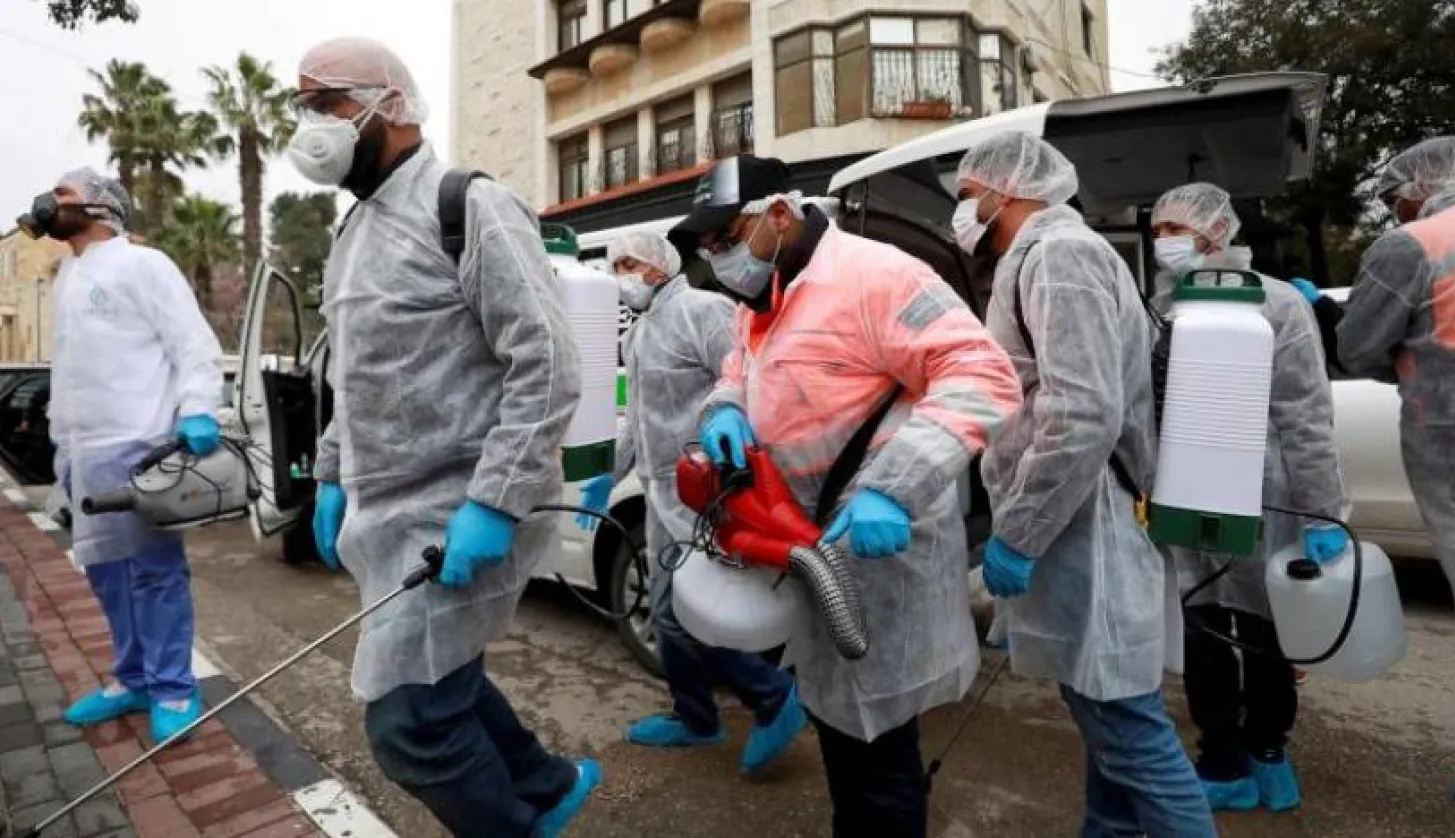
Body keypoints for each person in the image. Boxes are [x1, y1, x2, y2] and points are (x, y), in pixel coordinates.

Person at [290, 37, 597, 838]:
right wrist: (330, 474)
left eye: (324, 103)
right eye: (302, 107)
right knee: (443, 678)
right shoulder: (353, 234)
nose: (309, 124)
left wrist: (493, 502)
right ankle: (546, 783)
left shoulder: (468, 205)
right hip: (386, 512)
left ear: (387, 103)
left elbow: (551, 364)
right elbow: (350, 375)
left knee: (411, 727)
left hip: (465, 507)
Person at [677, 154, 1020, 837]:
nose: (719, 257)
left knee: (884, 760)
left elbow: (983, 374)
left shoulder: (875, 275)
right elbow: (738, 374)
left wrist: (893, 490)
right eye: (708, 246)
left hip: (881, 561)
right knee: (841, 739)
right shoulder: (767, 301)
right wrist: (724, 410)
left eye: (727, 236)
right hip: (810, 557)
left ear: (779, 213)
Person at [960, 132, 1218, 836]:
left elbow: (1081, 411)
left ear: (1003, 191)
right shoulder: (1046, 256)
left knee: (1126, 728)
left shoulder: (1060, 256)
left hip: (1087, 525)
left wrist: (1017, 534)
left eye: (967, 196)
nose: (964, 213)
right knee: (1105, 718)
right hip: (1083, 518)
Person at [1151, 183, 1348, 812]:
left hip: (1266, 487)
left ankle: (1269, 746)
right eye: (1157, 232)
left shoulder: (1279, 303)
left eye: (1174, 230)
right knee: (1203, 619)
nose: (1164, 244)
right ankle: (1221, 755)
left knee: (1267, 627)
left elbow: (1306, 413)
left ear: (1215, 231)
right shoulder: (1163, 304)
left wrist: (1322, 510)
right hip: (1185, 484)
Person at [576, 231, 804, 771]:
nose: (620, 277)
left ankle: (771, 695)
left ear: (657, 265)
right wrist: (611, 474)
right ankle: (696, 717)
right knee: (665, 609)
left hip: (707, 492)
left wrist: (737, 464)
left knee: (690, 610)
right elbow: (637, 419)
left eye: (628, 264)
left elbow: (747, 383)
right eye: (615, 267)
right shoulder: (640, 332)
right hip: (661, 496)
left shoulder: (703, 311)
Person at [1335, 136, 1455, 824]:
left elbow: (1358, 348)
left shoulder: (1415, 245)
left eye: (1392, 195)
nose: (1393, 208)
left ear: (1420, 185)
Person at [34, 168, 221, 745]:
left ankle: (173, 687)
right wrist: (61, 440)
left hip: (137, 445)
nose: (50, 201)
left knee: (154, 575)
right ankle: (134, 677)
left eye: (64, 194)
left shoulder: (145, 264)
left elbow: (191, 342)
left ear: (102, 205)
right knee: (105, 573)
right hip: (81, 450)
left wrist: (198, 407)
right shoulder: (68, 275)